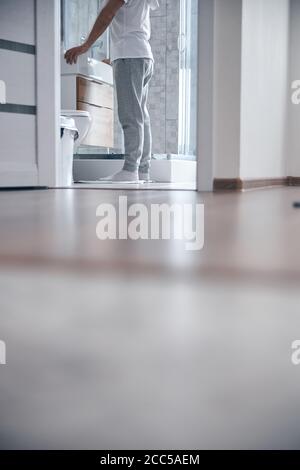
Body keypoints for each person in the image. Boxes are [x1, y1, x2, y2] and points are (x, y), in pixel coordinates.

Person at [65, 0, 159, 183]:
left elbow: (107, 14)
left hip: (129, 55)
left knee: (130, 115)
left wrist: (86, 46)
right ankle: (142, 170)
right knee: (141, 115)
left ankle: (131, 169)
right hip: (142, 55)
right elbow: (132, 22)